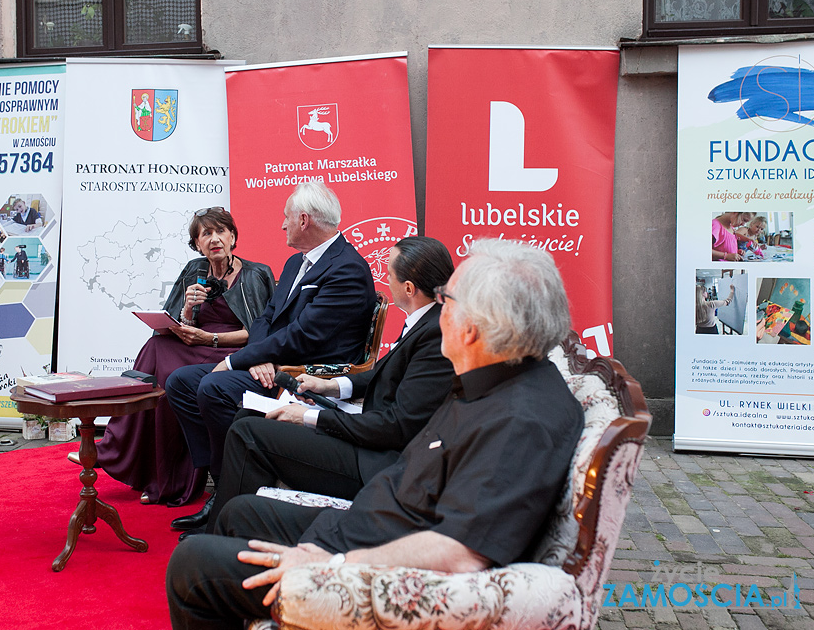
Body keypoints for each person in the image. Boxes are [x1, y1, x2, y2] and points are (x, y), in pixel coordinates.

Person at [165, 238, 585, 628]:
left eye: (447, 300)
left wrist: (333, 564)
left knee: (192, 562)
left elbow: (459, 553)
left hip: (371, 558)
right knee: (241, 512)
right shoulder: (492, 382)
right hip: (371, 521)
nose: (439, 311)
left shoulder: (520, 421)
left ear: (473, 328)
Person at [198, 236, 456, 538]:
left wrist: (307, 416)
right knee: (249, 418)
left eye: (390, 274)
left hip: (377, 463)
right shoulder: (426, 321)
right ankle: (238, 522)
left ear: (409, 289)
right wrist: (330, 386)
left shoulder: (436, 335)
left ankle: (221, 534)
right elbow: (384, 376)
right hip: (369, 440)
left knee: (248, 433)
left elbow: (398, 425)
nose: (386, 280)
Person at [165, 180, 376, 530]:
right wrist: (255, 356)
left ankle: (235, 496)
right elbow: (267, 318)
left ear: (304, 220)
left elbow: (305, 336)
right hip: (276, 362)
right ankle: (223, 483)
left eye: (286, 217)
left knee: (213, 388)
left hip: (306, 375)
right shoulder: (296, 263)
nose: (282, 224)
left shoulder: (346, 269)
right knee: (181, 382)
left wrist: (237, 359)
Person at [91, 208, 276, 506]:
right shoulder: (194, 270)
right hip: (198, 344)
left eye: (221, 231)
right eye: (206, 234)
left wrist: (211, 338)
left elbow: (257, 333)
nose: (214, 239)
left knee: (168, 381)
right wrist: (188, 312)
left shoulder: (255, 274)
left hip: (234, 350)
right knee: (156, 350)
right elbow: (179, 323)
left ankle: (170, 479)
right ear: (197, 243)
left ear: (233, 237)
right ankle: (125, 452)